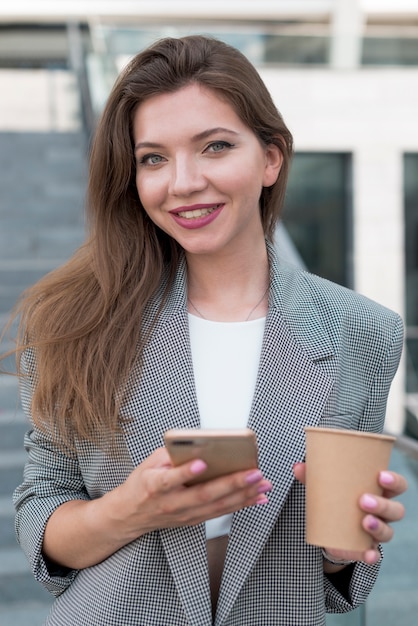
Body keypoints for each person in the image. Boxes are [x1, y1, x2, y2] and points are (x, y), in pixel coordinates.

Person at [5, 35, 407, 625]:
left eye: (214, 147)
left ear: (271, 158)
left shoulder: (363, 332)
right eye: (154, 158)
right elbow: (40, 519)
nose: (183, 183)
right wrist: (131, 510)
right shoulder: (70, 323)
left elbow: (340, 569)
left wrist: (345, 553)